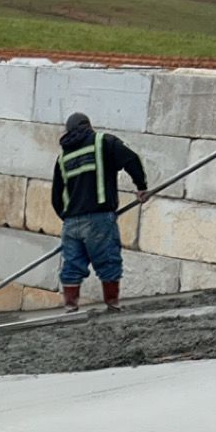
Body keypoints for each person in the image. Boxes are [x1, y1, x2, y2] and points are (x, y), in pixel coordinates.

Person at [51, 112, 149, 313]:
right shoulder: (103, 141)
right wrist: (141, 186)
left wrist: (68, 217)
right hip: (98, 219)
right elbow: (130, 159)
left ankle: (70, 307)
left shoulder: (63, 157)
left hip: (70, 224)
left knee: (72, 267)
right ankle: (112, 305)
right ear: (88, 125)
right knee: (108, 262)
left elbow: (55, 196)